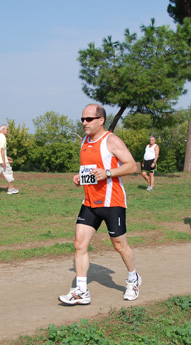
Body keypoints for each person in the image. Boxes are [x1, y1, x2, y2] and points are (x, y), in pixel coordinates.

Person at [59, 104, 140, 305]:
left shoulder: (111, 140)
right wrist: (80, 177)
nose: (84, 123)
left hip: (112, 202)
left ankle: (133, 279)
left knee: (120, 245)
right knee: (79, 244)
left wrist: (109, 173)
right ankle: (81, 291)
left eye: (89, 119)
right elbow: (91, 169)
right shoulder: (84, 141)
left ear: (101, 120)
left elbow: (132, 165)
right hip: (89, 202)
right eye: (82, 119)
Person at [0, 124, 19, 195]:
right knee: (8, 173)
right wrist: (4, 161)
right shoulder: (2, 137)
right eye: (7, 129)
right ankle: (10, 189)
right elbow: (2, 149)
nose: (7, 131)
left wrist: (6, 157)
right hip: (1, 160)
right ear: (3, 129)